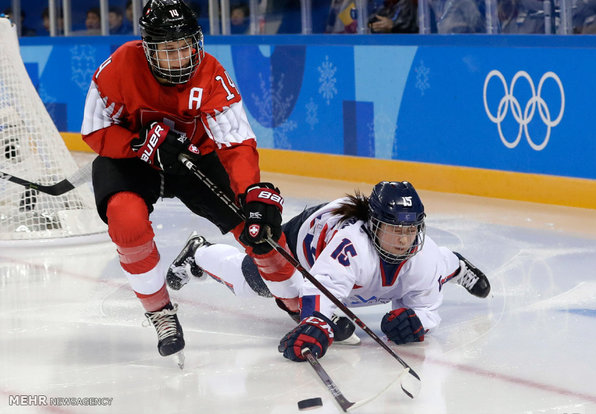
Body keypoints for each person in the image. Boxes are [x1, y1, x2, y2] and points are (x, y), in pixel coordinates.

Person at [80, 0, 299, 365]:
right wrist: (139, 145)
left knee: (258, 227)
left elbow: (237, 143)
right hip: (135, 161)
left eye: (185, 47)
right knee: (126, 218)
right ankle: (159, 310)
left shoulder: (211, 74)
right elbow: (95, 129)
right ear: (148, 48)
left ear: (197, 42)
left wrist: (250, 194)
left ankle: (299, 300)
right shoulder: (120, 66)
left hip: (197, 158)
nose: (179, 58)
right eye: (167, 50)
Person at [167, 181, 491, 362]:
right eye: (394, 230)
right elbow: (322, 287)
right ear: (374, 226)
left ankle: (457, 263)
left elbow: (427, 305)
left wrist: (419, 321)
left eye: (410, 231)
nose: (404, 240)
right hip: (303, 245)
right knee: (253, 281)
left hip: (411, 265)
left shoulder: (424, 255)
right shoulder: (352, 246)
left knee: (436, 265)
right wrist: (318, 323)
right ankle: (200, 253)